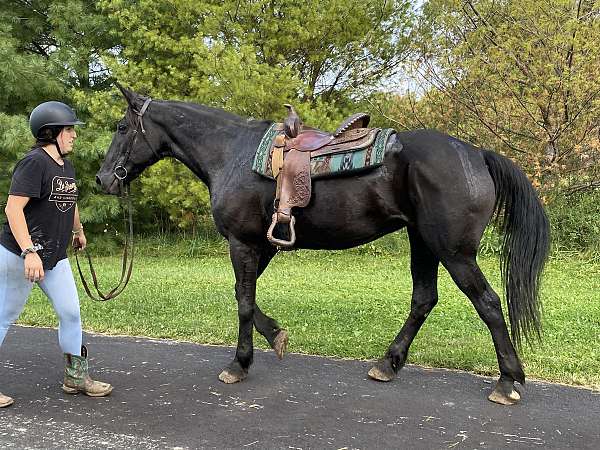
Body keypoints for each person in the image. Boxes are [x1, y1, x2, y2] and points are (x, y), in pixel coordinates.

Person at [0, 101, 112, 408]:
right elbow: (13, 209)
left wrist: (78, 230)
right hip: (19, 256)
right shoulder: (34, 163)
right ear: (51, 133)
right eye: (69, 129)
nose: (74, 135)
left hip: (54, 257)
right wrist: (29, 252)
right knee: (3, 317)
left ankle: (76, 377)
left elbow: (69, 199)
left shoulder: (66, 165)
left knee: (71, 313)